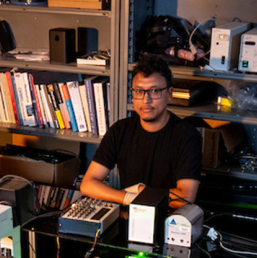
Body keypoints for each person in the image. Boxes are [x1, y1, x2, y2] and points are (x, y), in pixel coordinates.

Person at [80, 55, 202, 208]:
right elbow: (87, 184)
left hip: (169, 221)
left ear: (169, 94)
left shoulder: (187, 136)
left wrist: (141, 193)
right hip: (130, 216)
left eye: (155, 91)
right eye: (139, 91)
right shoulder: (119, 130)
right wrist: (131, 198)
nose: (146, 100)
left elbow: (185, 197)